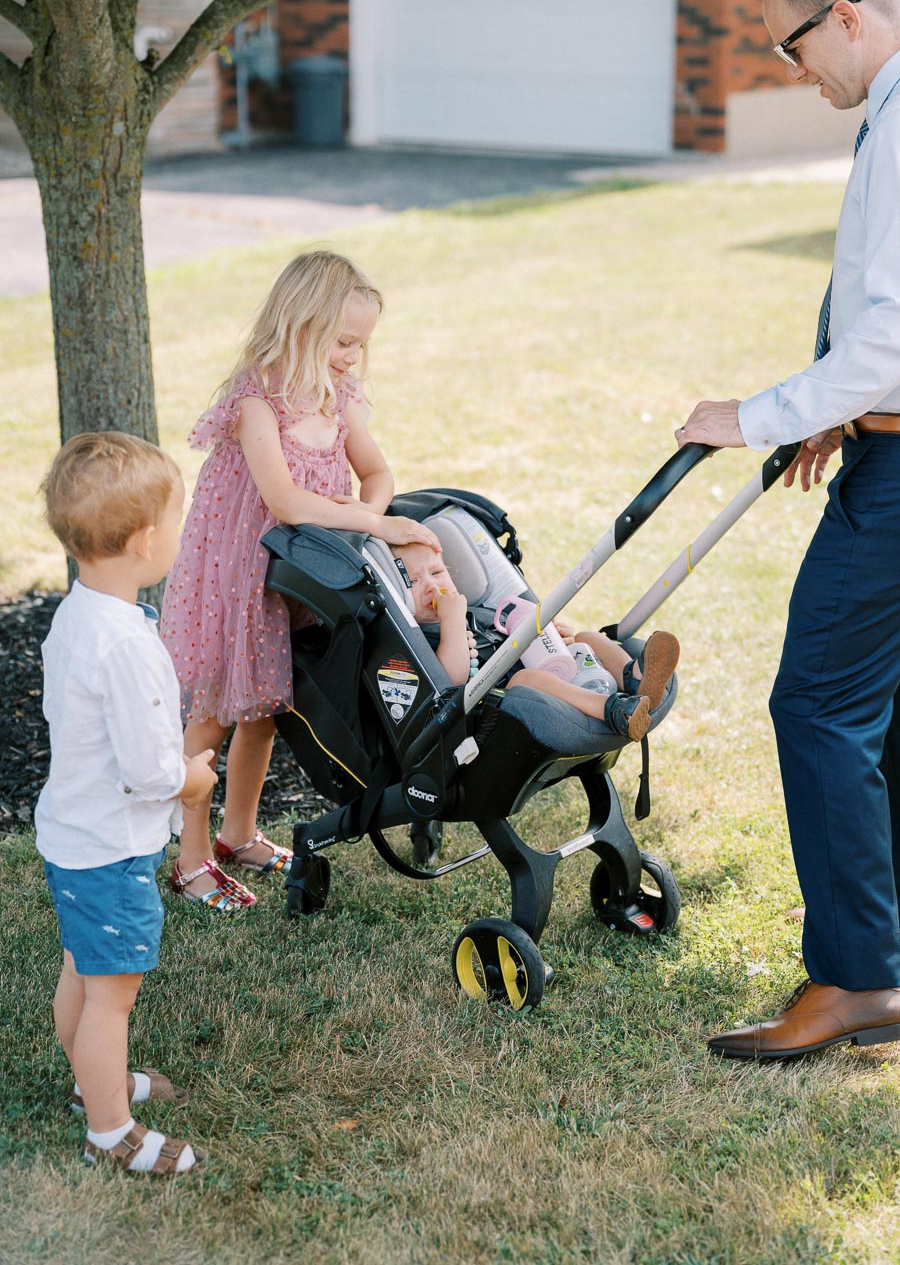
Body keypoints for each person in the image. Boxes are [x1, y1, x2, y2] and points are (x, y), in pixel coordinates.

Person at [678, 0, 900, 1059]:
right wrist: (832, 410)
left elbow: (892, 341)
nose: (791, 69)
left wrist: (761, 414)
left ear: (847, 14)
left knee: (818, 703)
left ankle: (860, 981)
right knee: (880, 711)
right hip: (881, 438)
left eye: (791, 46)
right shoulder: (887, 116)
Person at [161, 250, 439, 911]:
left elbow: (377, 473)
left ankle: (238, 833)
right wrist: (376, 528)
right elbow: (282, 500)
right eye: (343, 341)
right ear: (299, 327)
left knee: (265, 710)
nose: (352, 356)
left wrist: (367, 513)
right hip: (241, 574)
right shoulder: (258, 399)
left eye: (360, 344)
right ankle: (190, 858)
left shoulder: (340, 397)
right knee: (214, 718)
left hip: (301, 574)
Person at [37, 432, 218, 1174]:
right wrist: (195, 778)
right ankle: (111, 1134)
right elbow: (150, 771)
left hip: (73, 835)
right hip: (110, 847)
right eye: (177, 521)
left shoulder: (76, 613)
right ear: (146, 541)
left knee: (83, 969)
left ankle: (94, 1082)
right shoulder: (127, 644)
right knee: (112, 994)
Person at [391, 541, 680, 741]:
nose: (431, 585)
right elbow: (449, 682)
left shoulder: (479, 614)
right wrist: (452, 621)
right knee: (525, 680)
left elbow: (523, 637)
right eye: (413, 581)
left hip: (554, 672)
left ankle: (636, 680)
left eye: (438, 572)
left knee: (586, 638)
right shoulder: (419, 636)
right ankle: (615, 709)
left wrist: (554, 638)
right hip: (505, 708)